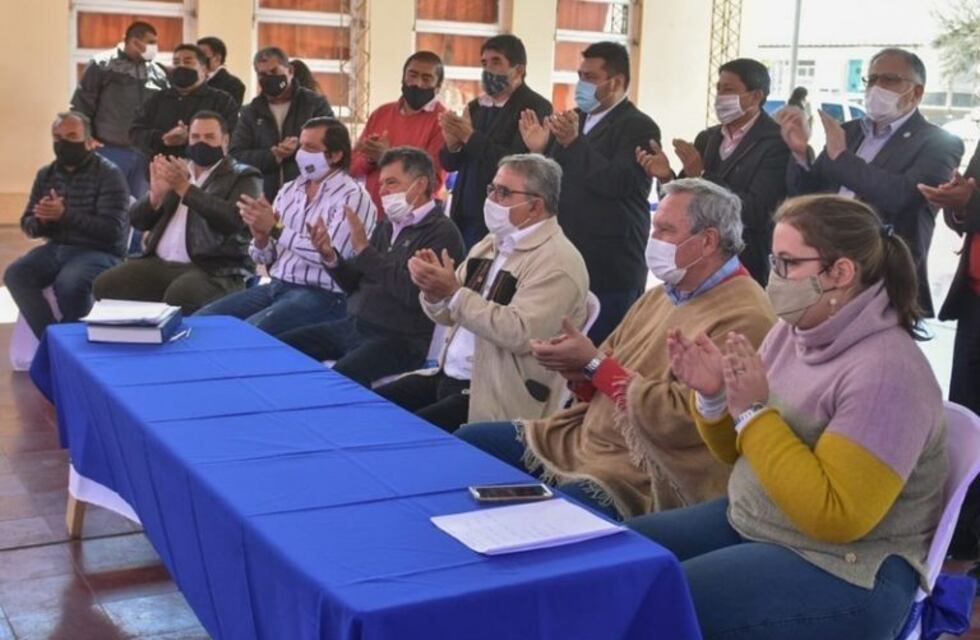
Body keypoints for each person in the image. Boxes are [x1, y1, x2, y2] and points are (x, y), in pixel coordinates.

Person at [627, 194, 947, 640]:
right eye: (774, 261)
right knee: (613, 565)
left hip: (841, 567)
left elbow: (837, 517)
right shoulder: (793, 331)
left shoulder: (888, 374)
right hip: (757, 519)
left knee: (653, 606)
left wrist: (754, 413)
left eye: (787, 264)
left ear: (840, 273)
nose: (773, 278)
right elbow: (735, 453)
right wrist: (717, 397)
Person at [456, 178, 776, 519]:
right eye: (655, 228)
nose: (653, 240)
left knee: (556, 511)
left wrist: (592, 364)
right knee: (469, 442)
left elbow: (686, 422)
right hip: (586, 436)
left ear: (708, 240)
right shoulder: (665, 292)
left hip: (644, 468)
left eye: (666, 230)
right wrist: (574, 367)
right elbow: (603, 367)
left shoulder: (745, 315)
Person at [375, 154, 589, 432]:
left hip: (496, 391)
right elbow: (448, 315)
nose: (492, 200)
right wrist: (432, 291)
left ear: (535, 206)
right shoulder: (492, 244)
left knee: (406, 435)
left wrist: (453, 293)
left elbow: (520, 333)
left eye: (504, 193)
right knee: (369, 411)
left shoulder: (557, 263)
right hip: (448, 374)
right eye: (492, 189)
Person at [780, 47, 964, 316]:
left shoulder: (939, 143)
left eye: (889, 80)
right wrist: (800, 153)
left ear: (917, 92)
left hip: (881, 275)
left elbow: (901, 196)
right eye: (872, 79)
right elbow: (809, 193)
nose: (877, 87)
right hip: (824, 265)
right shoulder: (850, 131)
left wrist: (842, 158)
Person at [279, 147, 465, 385]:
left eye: (391, 183)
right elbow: (353, 283)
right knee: (281, 348)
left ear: (419, 185)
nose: (383, 190)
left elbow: (414, 294)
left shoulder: (441, 233)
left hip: (400, 340)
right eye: (382, 183)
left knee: (335, 383)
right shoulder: (386, 225)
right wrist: (329, 256)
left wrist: (365, 251)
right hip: (355, 325)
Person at [519, 41, 660, 344]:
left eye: (591, 78)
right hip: (566, 254)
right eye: (580, 75)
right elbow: (554, 179)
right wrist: (540, 151)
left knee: (600, 351)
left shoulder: (639, 127)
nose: (582, 85)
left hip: (610, 263)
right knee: (561, 351)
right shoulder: (573, 119)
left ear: (617, 82)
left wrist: (574, 143)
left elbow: (619, 183)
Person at [196, 117, 376, 336]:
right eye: (301, 145)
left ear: (336, 155)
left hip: (323, 295)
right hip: (277, 285)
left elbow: (332, 257)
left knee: (246, 335)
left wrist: (276, 229)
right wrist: (261, 238)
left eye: (310, 147)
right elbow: (264, 258)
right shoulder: (290, 190)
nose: (301, 153)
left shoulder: (353, 196)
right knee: (201, 322)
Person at [637, 58, 789, 285]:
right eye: (718, 89)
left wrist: (703, 176)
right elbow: (682, 202)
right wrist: (666, 176)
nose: (720, 97)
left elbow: (756, 211)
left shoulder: (776, 143)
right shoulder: (708, 138)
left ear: (756, 96)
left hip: (743, 265)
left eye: (728, 90)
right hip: (693, 262)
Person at [93, 111, 262, 314]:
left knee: (180, 295)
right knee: (105, 285)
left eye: (209, 138)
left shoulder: (244, 175)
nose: (202, 143)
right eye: (196, 137)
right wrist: (155, 196)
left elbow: (233, 220)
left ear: (225, 141)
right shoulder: (178, 170)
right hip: (160, 262)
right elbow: (138, 221)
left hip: (216, 268)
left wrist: (186, 189)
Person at [4, 112, 129, 338]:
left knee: (70, 284)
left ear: (89, 142)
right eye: (57, 137)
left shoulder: (109, 174)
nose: (64, 143)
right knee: (15, 275)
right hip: (57, 248)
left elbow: (112, 231)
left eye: (72, 136)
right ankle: (52, 339)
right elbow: (27, 225)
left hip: (99, 252)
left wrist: (65, 215)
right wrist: (41, 219)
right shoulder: (46, 174)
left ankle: (74, 344)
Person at [919, 142, 980, 563]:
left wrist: (971, 202)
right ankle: (963, 536)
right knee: (970, 420)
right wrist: (956, 206)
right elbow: (965, 218)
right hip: (975, 301)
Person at [439, 34, 552, 248]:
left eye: (496, 62)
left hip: (502, 217)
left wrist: (469, 137)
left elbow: (515, 163)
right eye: (484, 63)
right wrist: (452, 144)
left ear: (518, 70)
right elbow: (450, 164)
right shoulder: (475, 107)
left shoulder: (534, 107)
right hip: (463, 213)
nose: (488, 69)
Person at [70, 20, 168, 199]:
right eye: (151, 42)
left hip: (144, 155)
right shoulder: (102, 65)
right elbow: (81, 104)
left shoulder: (158, 73)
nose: (155, 47)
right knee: (108, 206)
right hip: (109, 151)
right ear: (135, 42)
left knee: (141, 210)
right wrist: (86, 137)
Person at [230, 47, 334, 202]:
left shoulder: (314, 104)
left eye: (274, 72)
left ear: (290, 71)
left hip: (310, 197)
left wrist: (301, 147)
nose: (269, 78)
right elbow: (236, 155)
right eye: (262, 74)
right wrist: (274, 156)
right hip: (264, 199)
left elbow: (333, 145)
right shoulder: (250, 112)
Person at [349, 51, 449, 212]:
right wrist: (370, 159)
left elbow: (432, 181)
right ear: (403, 78)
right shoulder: (381, 113)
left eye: (426, 78)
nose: (417, 83)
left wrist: (386, 157)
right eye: (412, 75)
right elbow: (352, 167)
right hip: (373, 212)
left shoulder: (442, 122)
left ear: (438, 86)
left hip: (413, 219)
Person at [130, 43, 239, 160]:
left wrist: (192, 137)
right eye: (176, 62)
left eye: (188, 62)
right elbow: (135, 133)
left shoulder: (222, 101)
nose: (181, 66)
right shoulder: (156, 99)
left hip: (206, 172)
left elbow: (231, 138)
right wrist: (162, 138)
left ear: (203, 69)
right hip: (160, 170)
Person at [198, 36, 246, 106]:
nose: (198, 58)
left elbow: (230, 113)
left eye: (202, 54)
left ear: (217, 58)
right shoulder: (194, 79)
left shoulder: (234, 84)